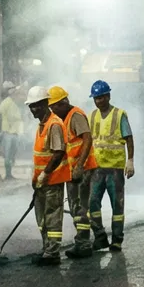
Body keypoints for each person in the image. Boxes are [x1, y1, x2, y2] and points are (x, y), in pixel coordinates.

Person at [87, 81, 134, 251]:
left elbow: (129, 138)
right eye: (96, 98)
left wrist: (130, 160)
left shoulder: (119, 115)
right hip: (97, 168)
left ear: (108, 96)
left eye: (101, 97)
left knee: (117, 205)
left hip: (115, 168)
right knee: (92, 203)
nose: (98, 101)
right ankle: (100, 237)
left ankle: (117, 240)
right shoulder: (92, 116)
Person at [50, 87, 95, 256]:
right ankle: (86, 240)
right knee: (75, 207)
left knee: (81, 207)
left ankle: (83, 244)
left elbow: (87, 138)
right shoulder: (63, 118)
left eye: (54, 106)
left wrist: (80, 165)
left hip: (82, 169)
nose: (52, 110)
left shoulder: (75, 115)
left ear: (64, 103)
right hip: (72, 170)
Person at [28, 86, 70, 265]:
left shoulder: (54, 124)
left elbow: (58, 152)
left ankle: (52, 253)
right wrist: (36, 178)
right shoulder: (42, 125)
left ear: (46, 104)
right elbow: (41, 156)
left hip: (53, 179)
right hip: (42, 181)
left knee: (52, 216)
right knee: (42, 217)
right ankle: (47, 248)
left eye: (37, 105)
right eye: (31, 106)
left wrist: (45, 173)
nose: (34, 109)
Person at [0, 83, 29, 182]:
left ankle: (9, 174)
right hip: (7, 132)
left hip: (15, 132)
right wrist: (0, 131)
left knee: (12, 154)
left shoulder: (15, 104)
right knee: (8, 155)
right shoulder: (6, 103)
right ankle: (8, 174)